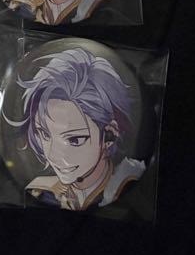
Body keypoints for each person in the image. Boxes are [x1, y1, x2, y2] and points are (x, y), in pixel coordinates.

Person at [16, 47, 144, 211]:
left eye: (74, 140)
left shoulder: (127, 186)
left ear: (109, 135)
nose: (53, 155)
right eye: (44, 134)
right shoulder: (41, 192)